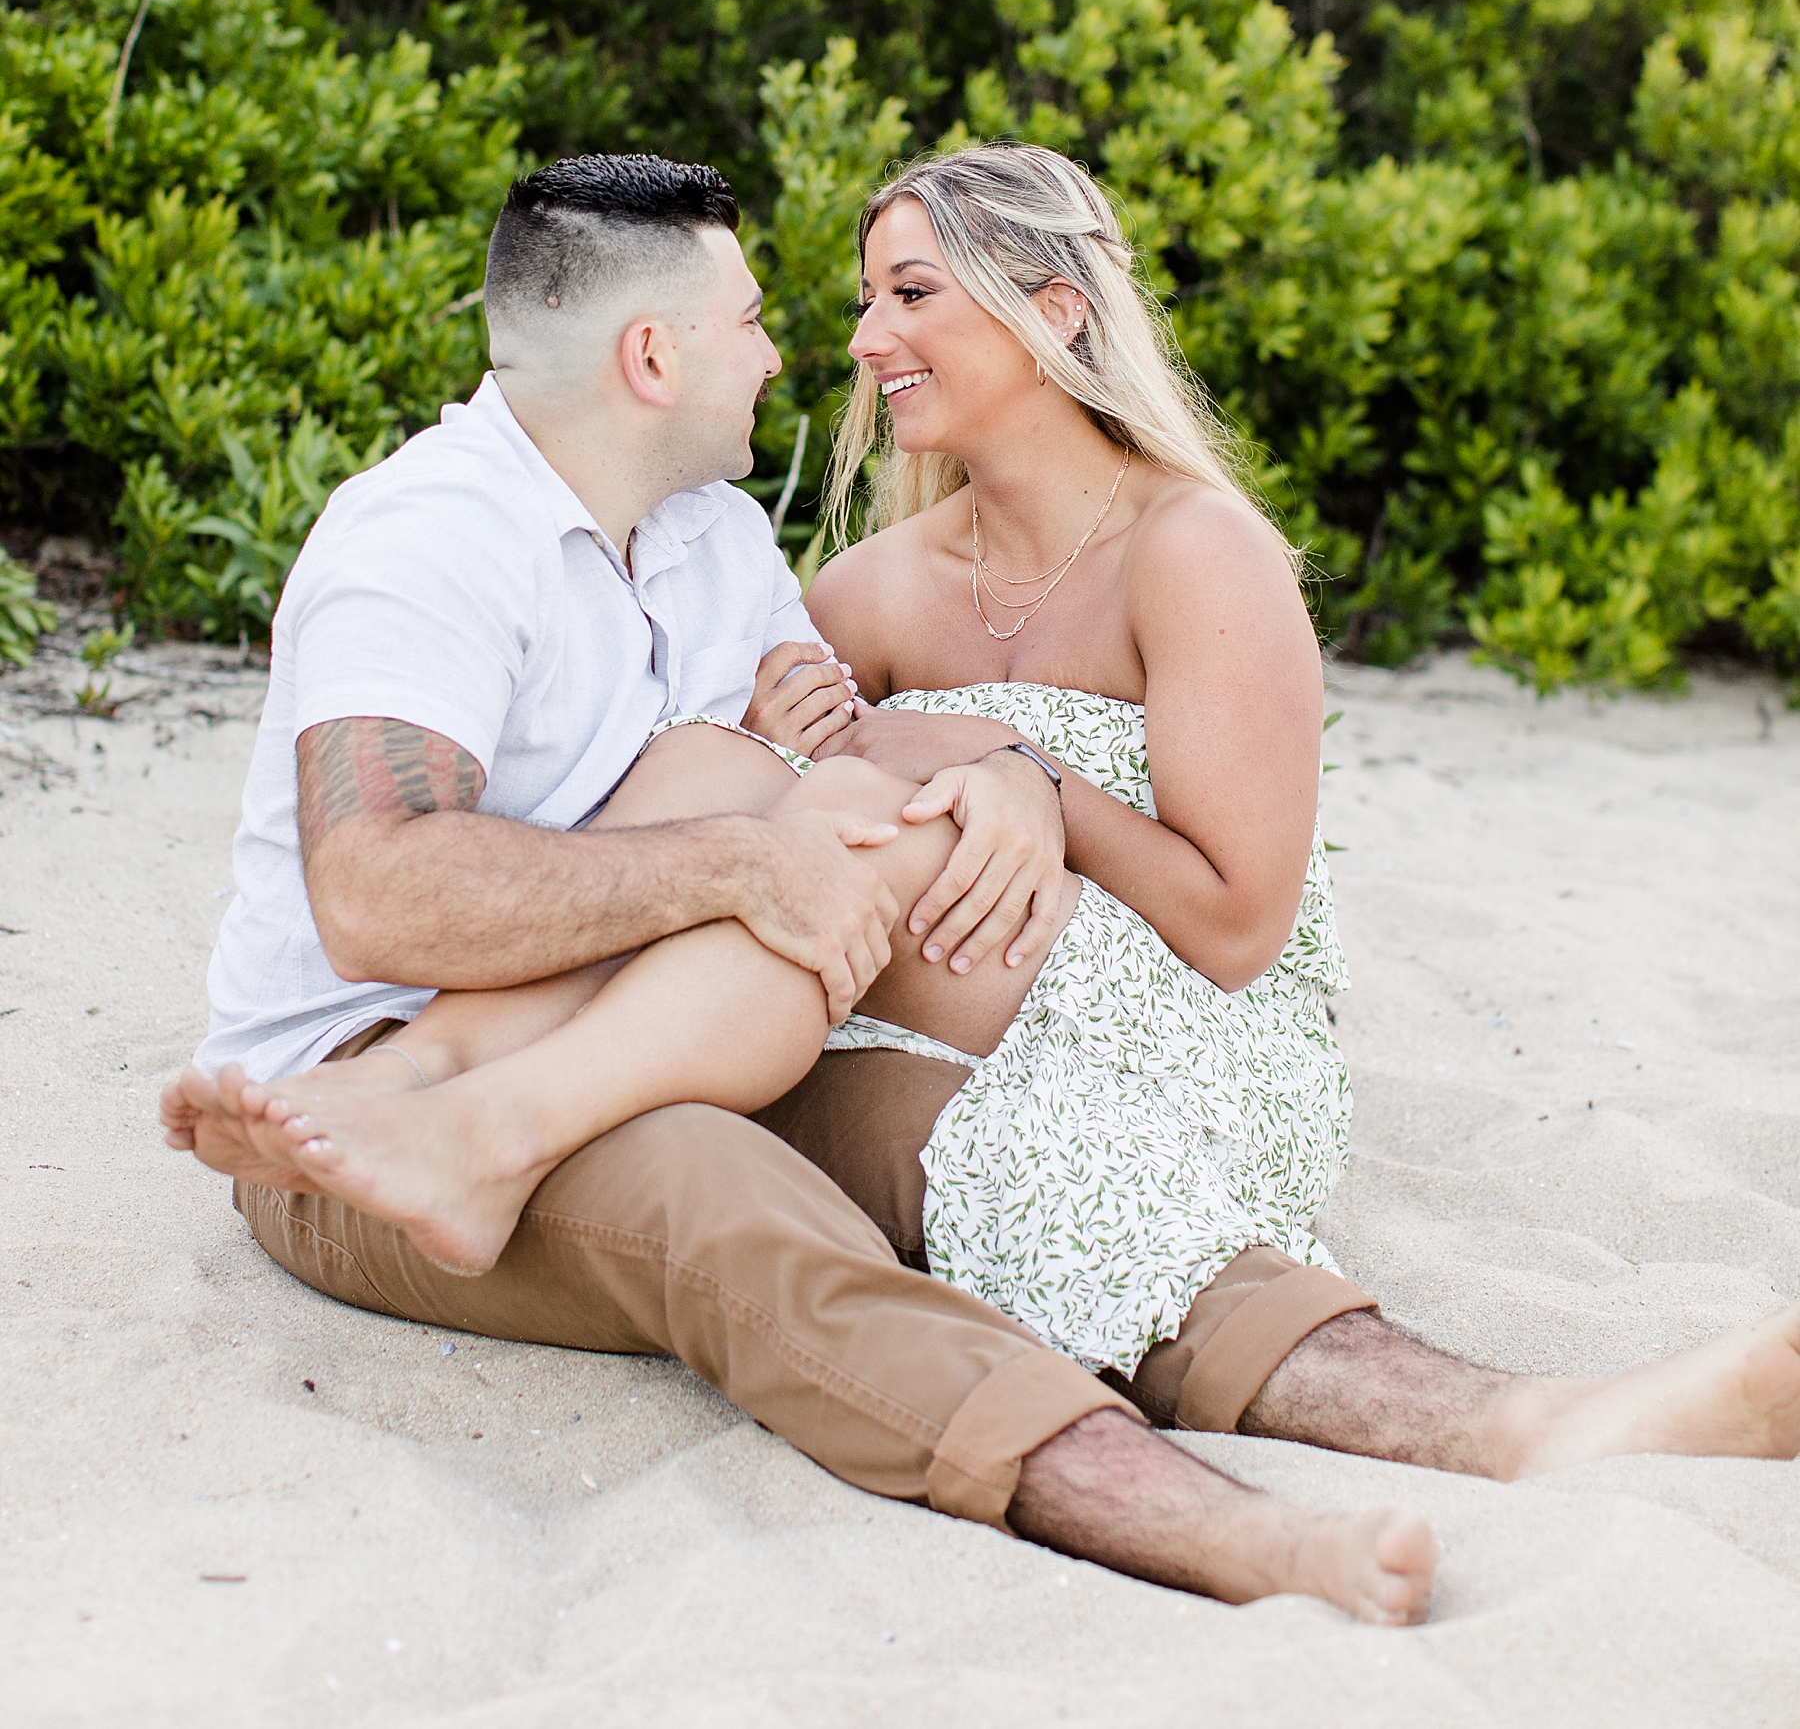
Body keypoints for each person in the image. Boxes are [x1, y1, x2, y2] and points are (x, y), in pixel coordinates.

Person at [163, 150, 1439, 1628]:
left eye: (892, 297)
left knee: (992, 1132)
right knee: (722, 1194)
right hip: (347, 1091)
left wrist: (1013, 777)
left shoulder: (720, 549)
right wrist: (764, 847)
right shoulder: (426, 539)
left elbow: (811, 778)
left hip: (656, 1016)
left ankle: (1437, 1403)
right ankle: (1214, 1528)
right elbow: (382, 898)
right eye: (768, 315)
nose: (811, 349)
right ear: (655, 354)